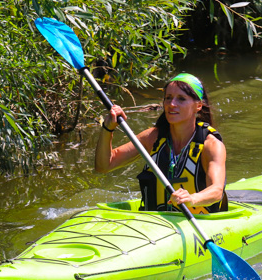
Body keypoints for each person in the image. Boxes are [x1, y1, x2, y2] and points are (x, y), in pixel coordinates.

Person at [96, 73, 228, 214]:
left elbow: (217, 190)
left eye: (181, 99)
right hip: (157, 222)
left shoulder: (211, 145)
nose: (172, 104)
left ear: (198, 106)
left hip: (200, 221)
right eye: (168, 98)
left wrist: (192, 199)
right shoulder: (152, 138)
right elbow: (104, 165)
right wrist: (107, 128)